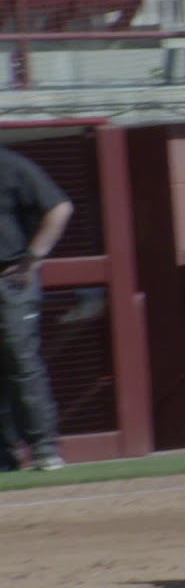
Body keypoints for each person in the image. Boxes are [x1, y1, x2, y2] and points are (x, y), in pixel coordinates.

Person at [0, 146, 74, 471]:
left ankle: (44, 449)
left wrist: (33, 258)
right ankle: (5, 457)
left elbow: (58, 208)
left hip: (9, 281)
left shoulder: (11, 165)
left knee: (20, 361)